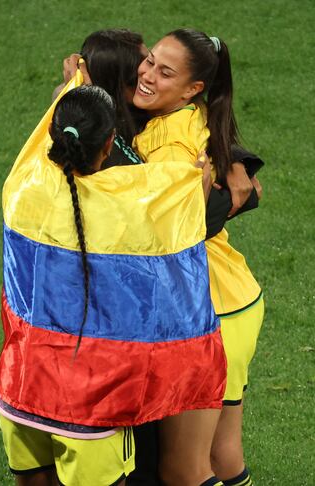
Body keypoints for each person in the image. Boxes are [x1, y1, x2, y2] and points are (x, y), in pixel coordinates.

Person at [0, 77, 226, 486]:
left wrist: (73, 85)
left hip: (21, 386)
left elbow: (48, 129)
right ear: (108, 146)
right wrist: (200, 182)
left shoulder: (22, 184)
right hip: (89, 402)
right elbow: (177, 211)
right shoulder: (126, 207)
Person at [131, 29, 264, 486]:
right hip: (236, 299)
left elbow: (161, 236)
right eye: (148, 61)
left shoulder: (165, 147)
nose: (147, 74)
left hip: (205, 313)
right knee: (223, 453)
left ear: (193, 89)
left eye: (164, 72)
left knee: (183, 470)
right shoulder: (195, 113)